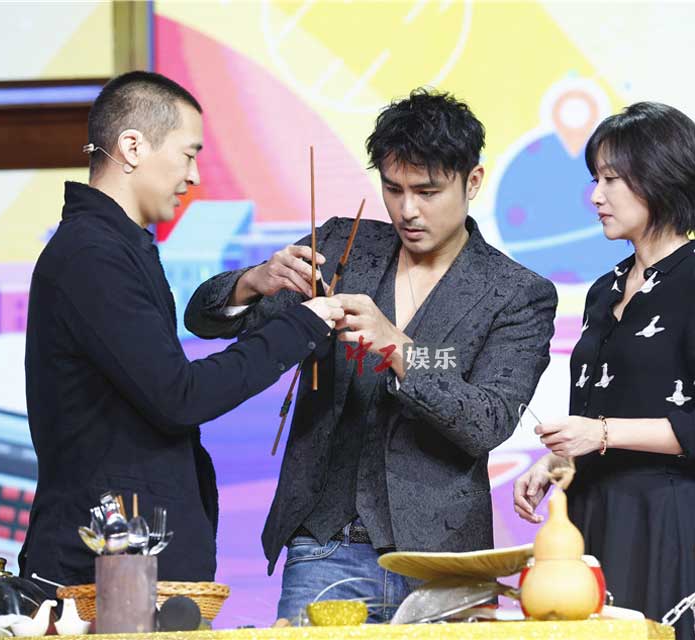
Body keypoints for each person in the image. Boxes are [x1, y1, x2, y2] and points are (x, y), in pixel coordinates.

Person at [185, 88, 558, 622]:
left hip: (444, 561)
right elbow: (203, 318)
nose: (408, 210)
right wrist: (254, 281)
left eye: (427, 191)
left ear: (473, 181)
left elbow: (488, 417)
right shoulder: (343, 245)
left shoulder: (517, 292)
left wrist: (400, 349)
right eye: (393, 188)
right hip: (324, 547)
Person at [21, 71, 342, 585]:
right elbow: (180, 396)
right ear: (132, 147)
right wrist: (301, 325)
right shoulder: (91, 256)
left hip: (129, 557)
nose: (193, 177)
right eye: (188, 154)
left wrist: (255, 283)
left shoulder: (116, 247)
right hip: (104, 568)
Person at [512, 102, 695, 638]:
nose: (596, 196)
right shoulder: (604, 290)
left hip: (660, 520)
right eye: (595, 180)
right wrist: (556, 462)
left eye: (611, 180)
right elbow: (599, 413)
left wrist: (599, 434)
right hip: (586, 518)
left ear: (660, 178)